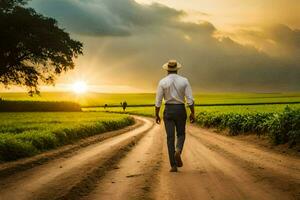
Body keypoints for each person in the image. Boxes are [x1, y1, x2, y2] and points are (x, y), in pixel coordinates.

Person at [155, 60, 195, 172]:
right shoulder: (184, 81)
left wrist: (157, 114)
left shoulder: (162, 82)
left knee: (170, 137)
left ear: (167, 69)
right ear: (177, 69)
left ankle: (173, 165)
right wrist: (192, 112)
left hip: (168, 110)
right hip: (180, 109)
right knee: (181, 134)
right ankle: (178, 150)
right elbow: (190, 100)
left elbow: (158, 101)